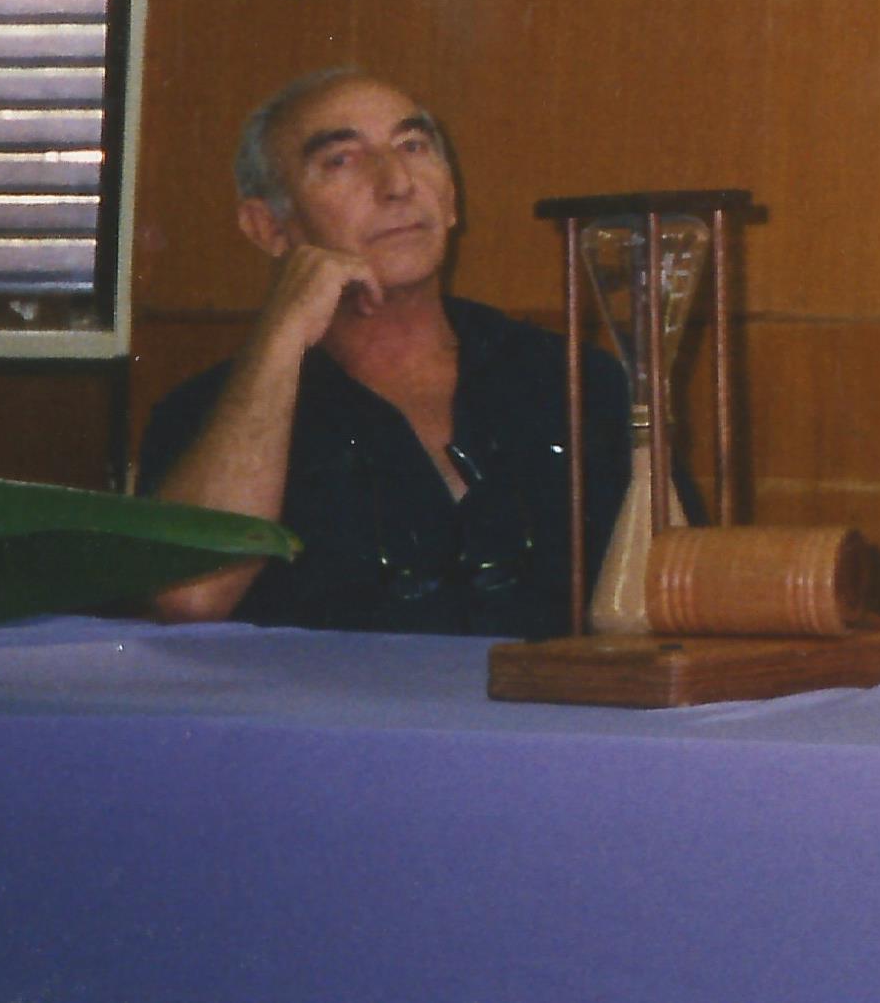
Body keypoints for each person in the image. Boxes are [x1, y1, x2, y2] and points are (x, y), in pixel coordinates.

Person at [139, 69, 632, 637]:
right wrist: (281, 337)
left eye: (414, 147)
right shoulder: (209, 413)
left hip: (550, 720)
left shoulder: (571, 380)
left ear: (450, 198)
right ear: (268, 226)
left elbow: (669, 598)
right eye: (342, 160)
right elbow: (189, 597)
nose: (397, 183)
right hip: (329, 724)